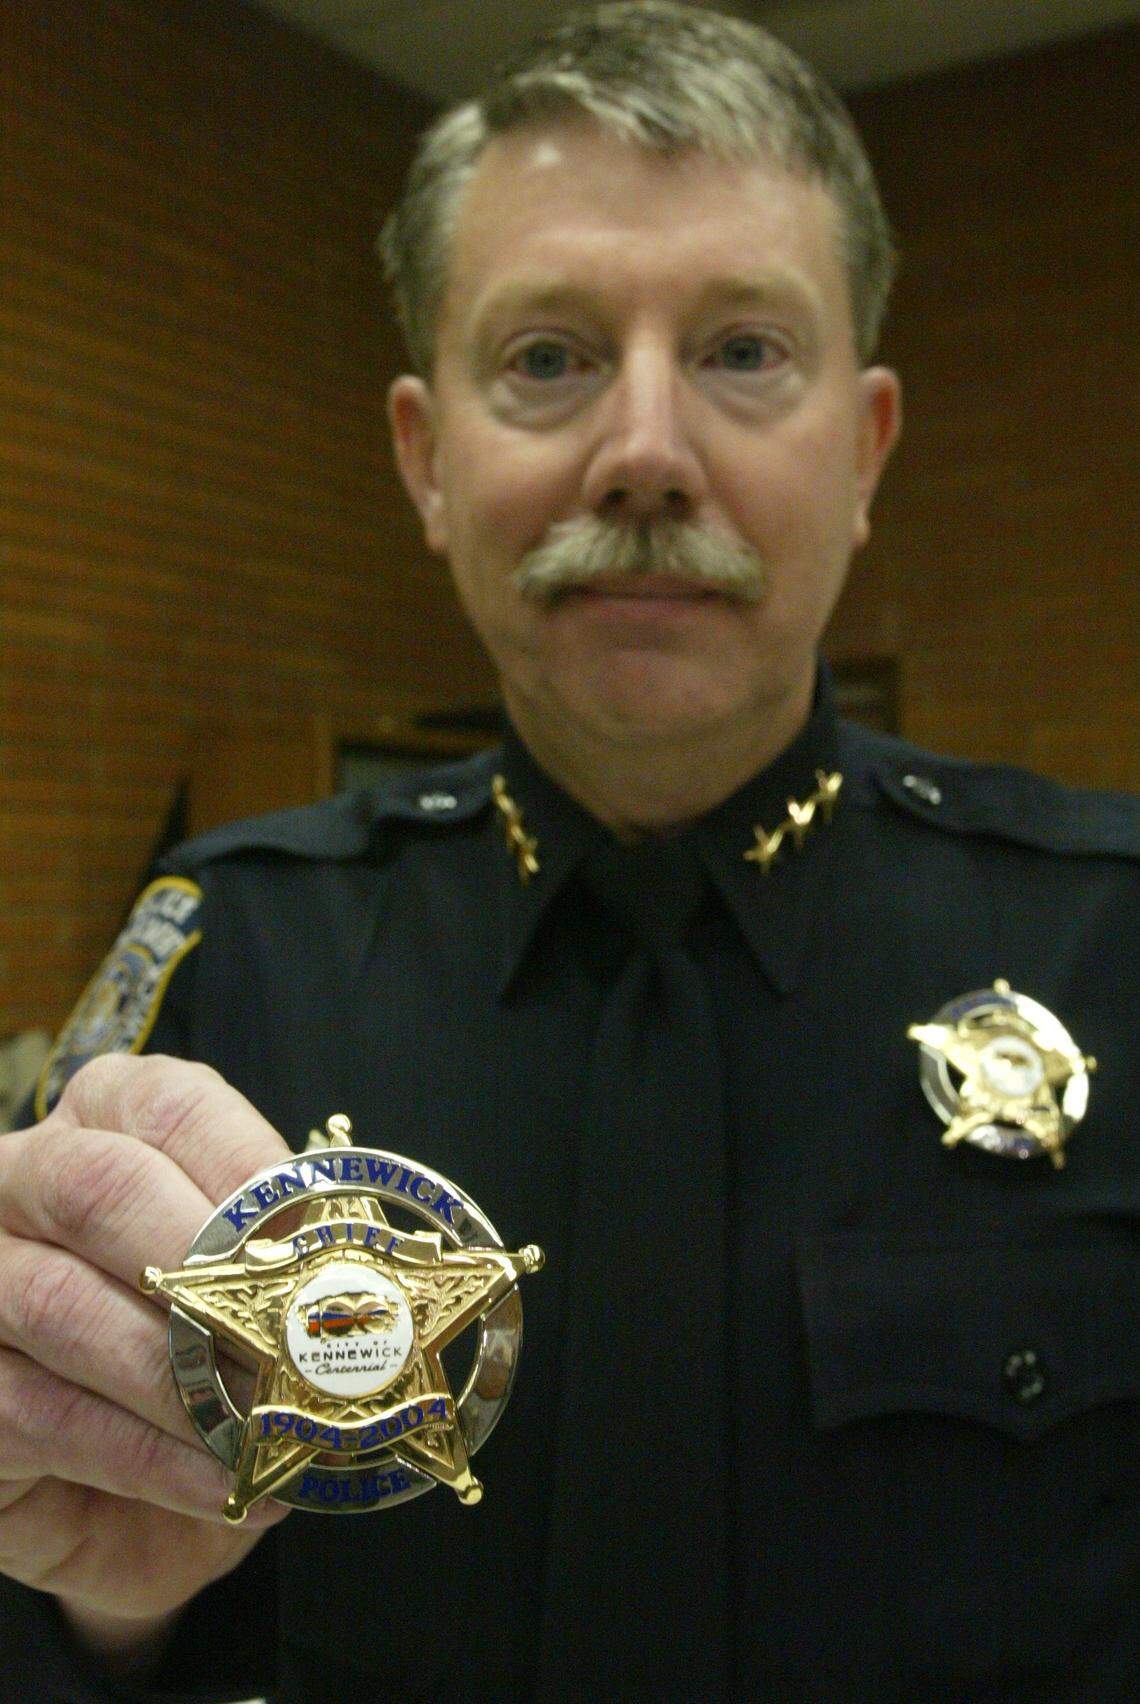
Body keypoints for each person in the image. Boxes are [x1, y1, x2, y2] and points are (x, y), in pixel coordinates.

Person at [1, 4, 1135, 1698]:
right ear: (427, 459)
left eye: (747, 350)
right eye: (548, 358)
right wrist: (99, 1587)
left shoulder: (1111, 945)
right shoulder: (233, 955)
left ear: (869, 447)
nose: (648, 453)